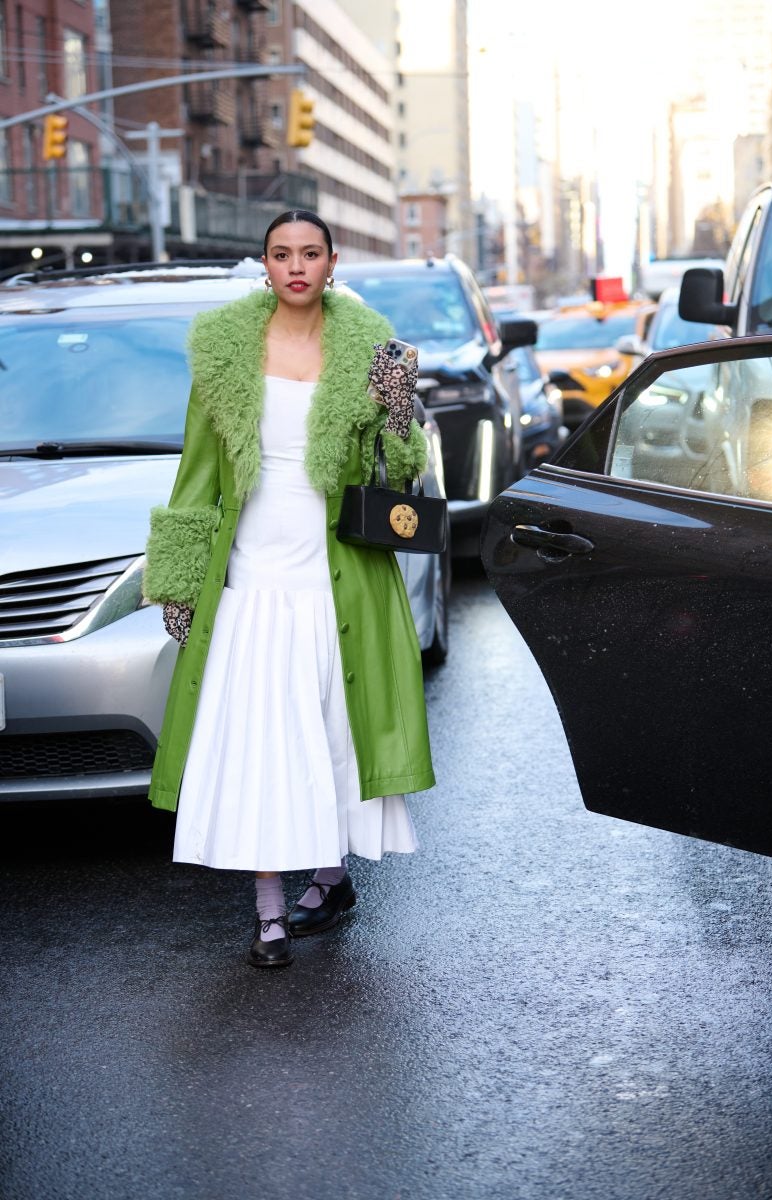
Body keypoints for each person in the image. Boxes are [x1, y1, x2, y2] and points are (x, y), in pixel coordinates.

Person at [143, 210, 435, 968]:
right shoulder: (223, 352)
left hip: (340, 570)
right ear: (263, 264)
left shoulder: (373, 345)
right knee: (260, 741)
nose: (297, 266)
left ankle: (331, 877)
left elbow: (399, 476)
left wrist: (398, 404)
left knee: (333, 734)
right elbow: (196, 475)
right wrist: (178, 582)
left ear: (333, 262)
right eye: (281, 254)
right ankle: (269, 912)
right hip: (251, 573)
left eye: (311, 254)